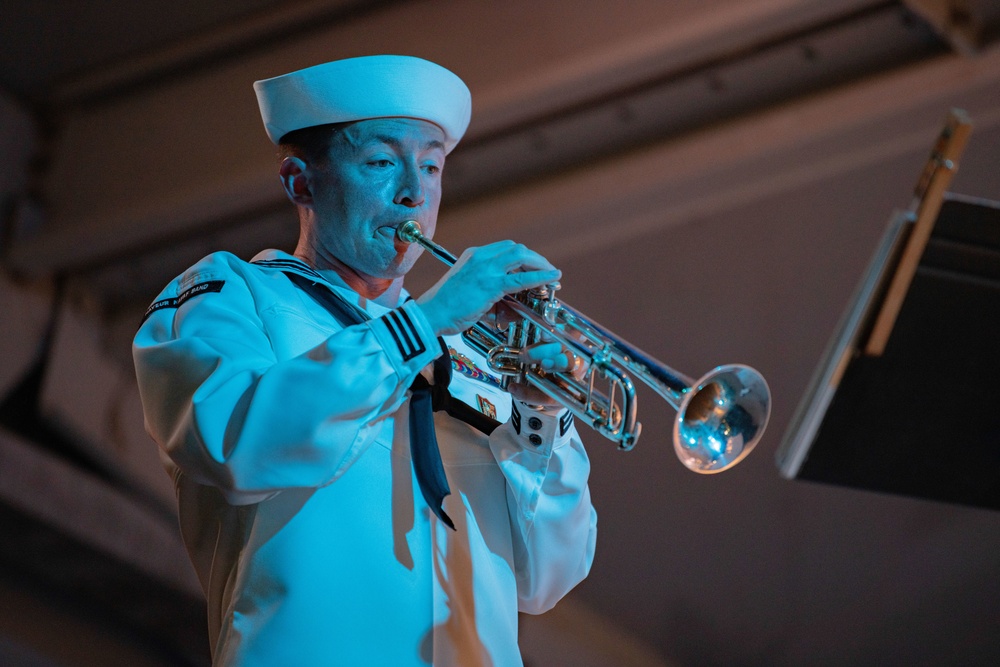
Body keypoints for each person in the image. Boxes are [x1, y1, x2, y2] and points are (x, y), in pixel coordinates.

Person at [132, 55, 597, 666]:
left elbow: (547, 581)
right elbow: (233, 444)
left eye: (431, 166)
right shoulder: (234, 292)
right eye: (381, 163)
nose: (413, 192)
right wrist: (422, 323)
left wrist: (543, 422)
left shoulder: (474, 352)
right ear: (301, 182)